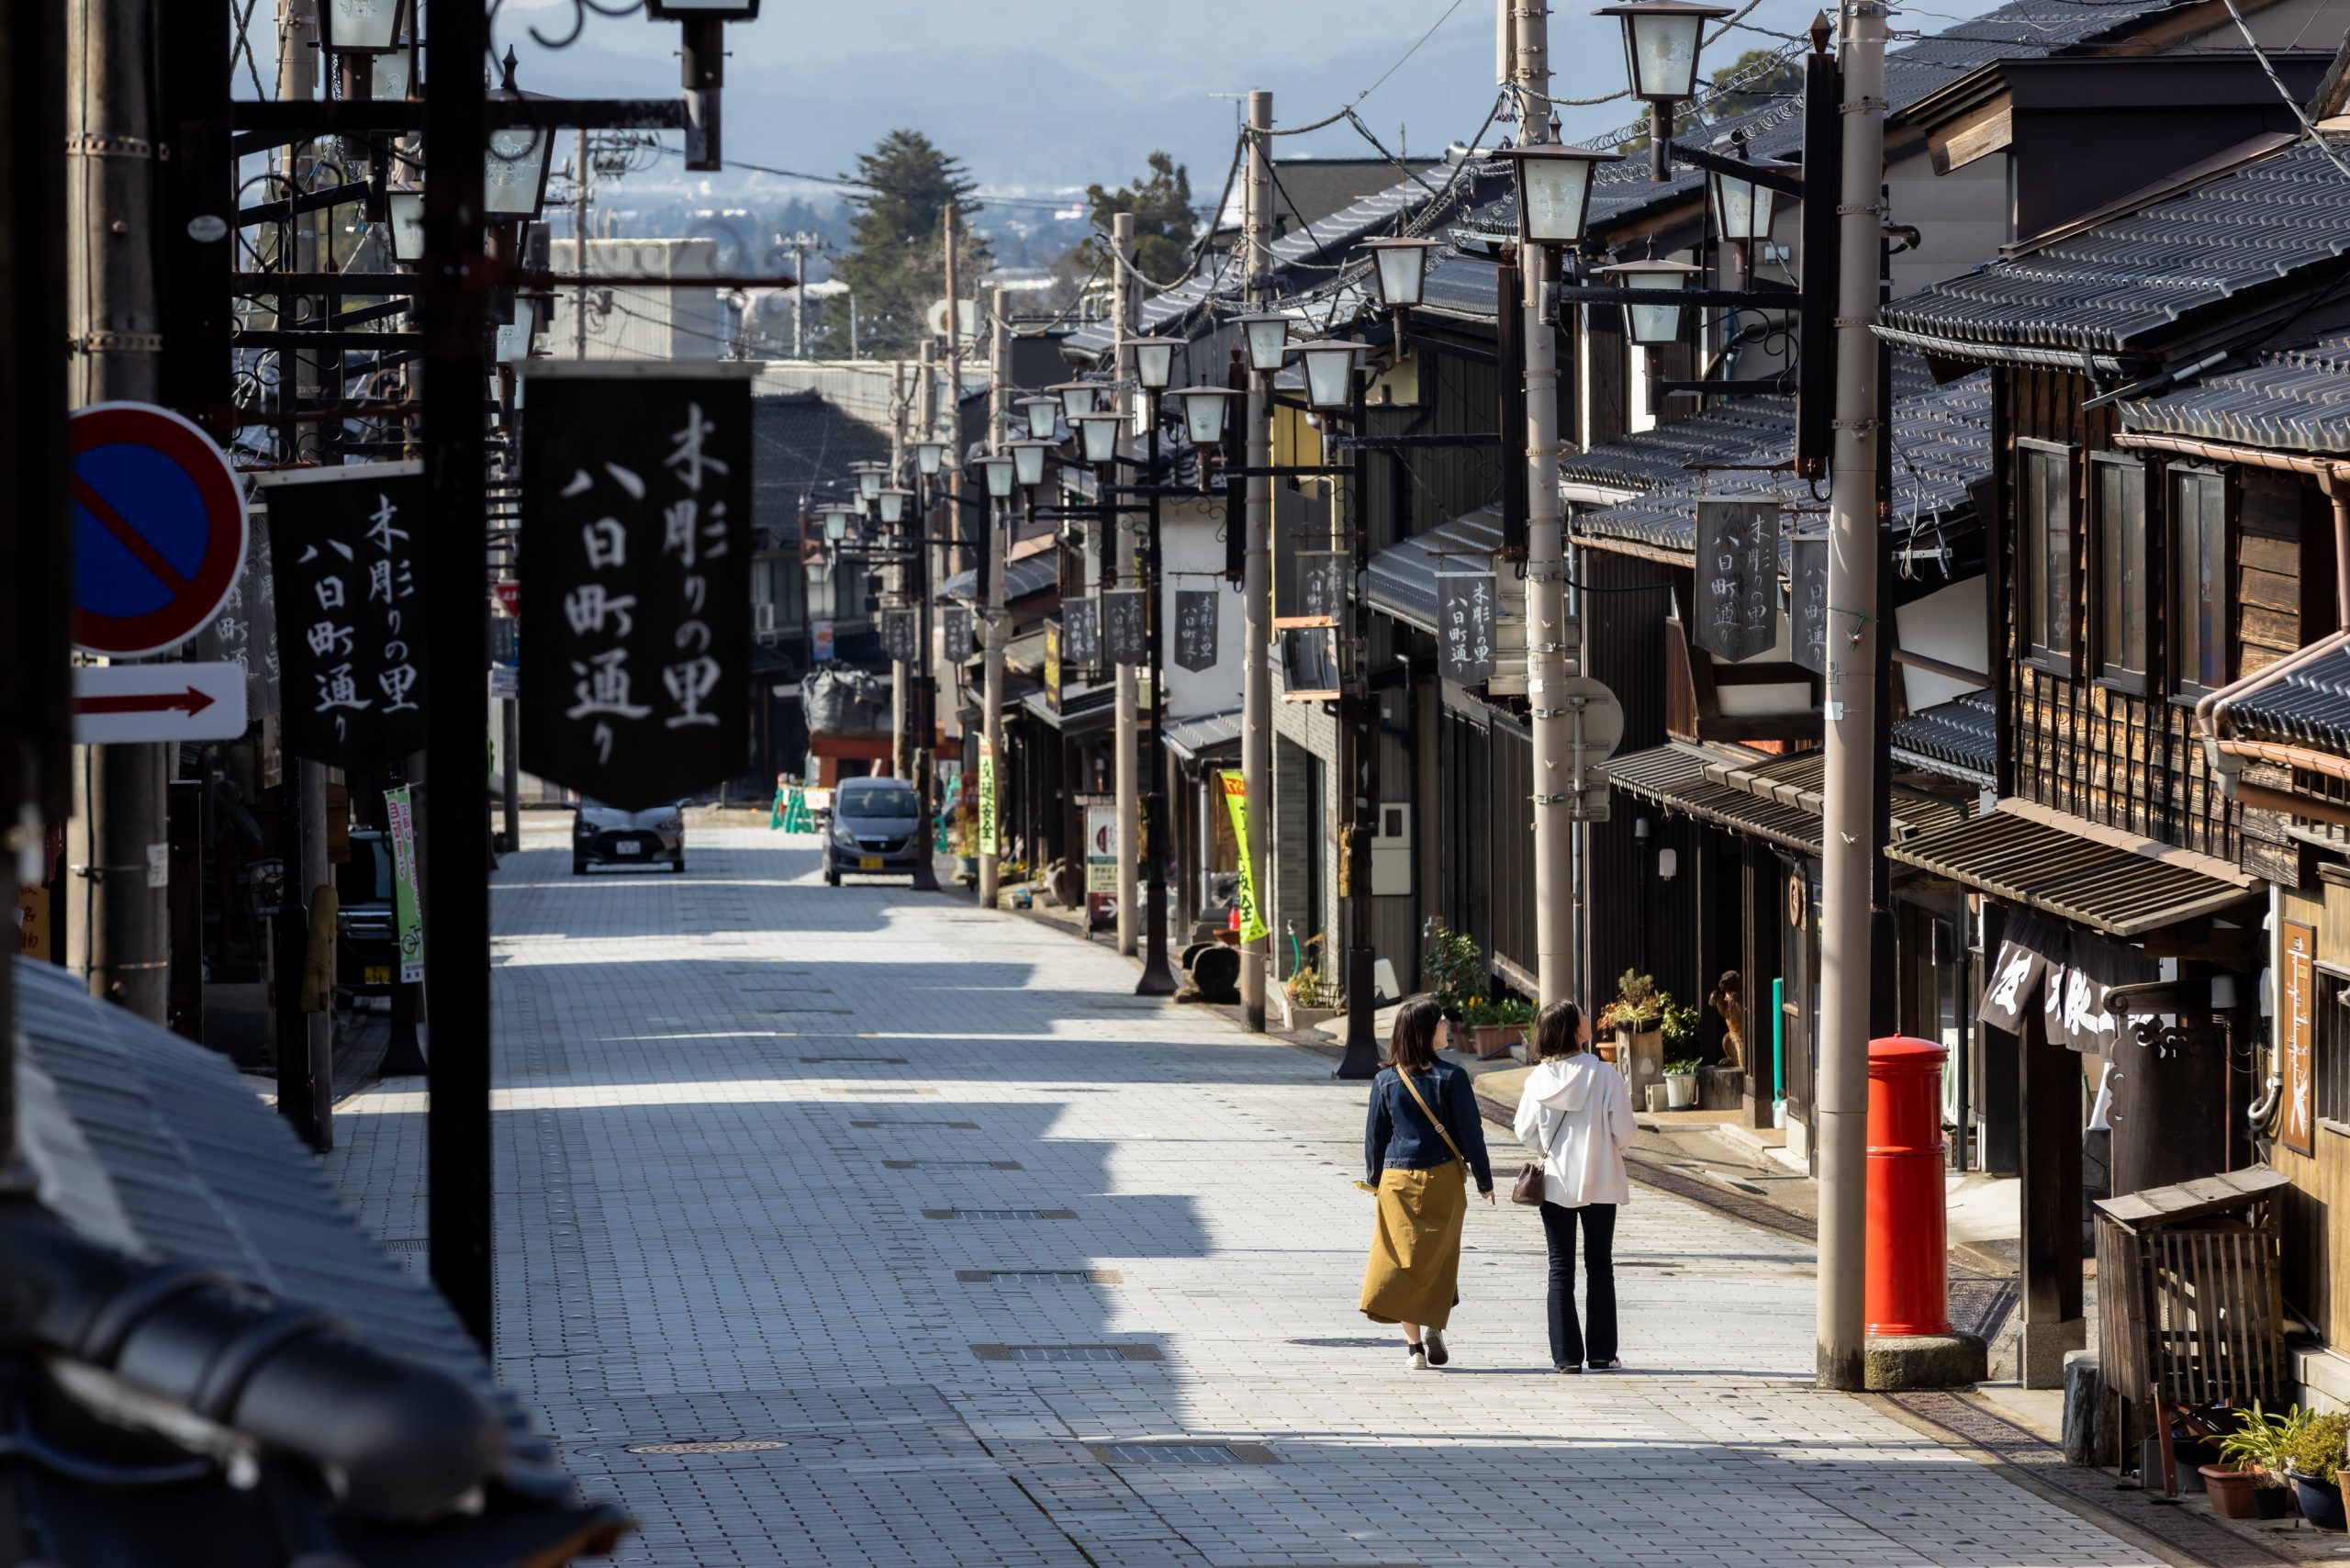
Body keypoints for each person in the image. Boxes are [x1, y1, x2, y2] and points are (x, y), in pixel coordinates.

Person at [1360, 997, 1494, 1372]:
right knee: (1440, 1254)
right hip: (1443, 1178)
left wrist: (1375, 1180)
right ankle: (1435, 1321)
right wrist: (1484, 1178)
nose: (1446, 1025)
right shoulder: (1452, 1077)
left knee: (1401, 1259)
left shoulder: (1385, 1080)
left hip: (1397, 1179)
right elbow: (1471, 1133)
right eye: (1440, 1021)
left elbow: (1375, 1137)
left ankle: (1414, 1348)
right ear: (1425, 1030)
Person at [1514, 1000, 1637, 1372]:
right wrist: (1606, 1147)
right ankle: (1602, 1354)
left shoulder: (1536, 1081)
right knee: (1600, 1264)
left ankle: (1566, 1357)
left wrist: (1549, 1151)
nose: (1588, 1018)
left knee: (1560, 1266)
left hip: (1555, 1183)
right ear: (1574, 1029)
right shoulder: (1604, 1076)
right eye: (1583, 1015)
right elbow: (1626, 1131)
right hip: (1600, 1179)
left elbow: (1524, 1131)